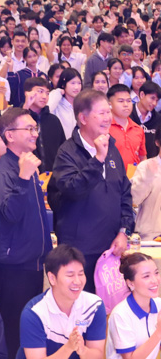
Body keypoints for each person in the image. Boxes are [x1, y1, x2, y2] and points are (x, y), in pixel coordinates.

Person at [0, 108, 52, 359]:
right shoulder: (6, 170)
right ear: (9, 135)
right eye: (28, 128)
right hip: (12, 265)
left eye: (35, 128)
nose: (34, 133)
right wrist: (24, 177)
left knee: (28, 327)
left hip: (32, 261)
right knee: (11, 328)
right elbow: (10, 213)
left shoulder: (27, 164)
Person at [48, 89, 135, 292]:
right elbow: (72, 190)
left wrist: (124, 231)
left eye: (108, 112)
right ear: (83, 118)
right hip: (79, 252)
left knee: (109, 305)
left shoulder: (112, 148)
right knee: (80, 305)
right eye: (101, 113)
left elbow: (124, 193)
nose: (108, 118)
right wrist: (97, 160)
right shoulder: (67, 152)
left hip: (111, 248)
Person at [22, 77, 65, 173]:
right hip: (26, 173)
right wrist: (26, 107)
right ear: (27, 93)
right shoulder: (18, 118)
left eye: (47, 93)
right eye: (40, 91)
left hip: (52, 175)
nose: (44, 96)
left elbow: (62, 149)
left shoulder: (54, 121)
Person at [130, 125, 161, 240]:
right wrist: (148, 177)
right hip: (150, 237)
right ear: (157, 142)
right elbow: (133, 199)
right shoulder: (145, 166)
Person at [108, 83, 146, 169]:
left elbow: (142, 157)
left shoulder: (138, 129)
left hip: (134, 175)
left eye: (129, 101)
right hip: (111, 175)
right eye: (121, 101)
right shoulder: (104, 128)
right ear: (110, 104)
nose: (126, 104)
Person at [130, 81, 161, 159]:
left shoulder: (158, 119)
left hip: (151, 163)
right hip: (129, 162)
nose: (154, 103)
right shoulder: (128, 114)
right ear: (142, 95)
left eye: (157, 100)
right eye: (152, 98)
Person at [51, 68, 83, 139]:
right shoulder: (57, 105)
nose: (76, 87)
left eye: (79, 83)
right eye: (73, 83)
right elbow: (47, 110)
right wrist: (58, 92)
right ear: (63, 84)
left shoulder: (83, 104)